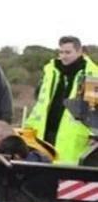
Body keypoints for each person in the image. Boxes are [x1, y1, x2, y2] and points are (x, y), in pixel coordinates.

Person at [24, 36, 98, 164]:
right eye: (61, 52)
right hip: (44, 134)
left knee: (68, 177)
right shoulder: (51, 71)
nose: (63, 56)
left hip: (74, 137)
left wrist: (94, 135)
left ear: (79, 51)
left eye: (68, 52)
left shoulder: (91, 75)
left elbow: (93, 108)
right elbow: (40, 103)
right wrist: (29, 127)